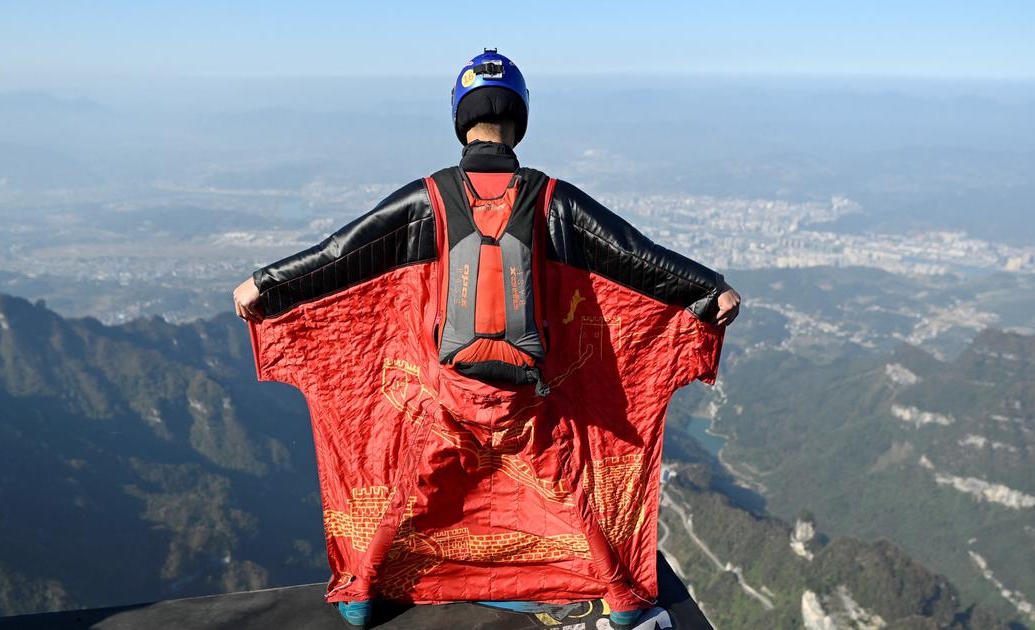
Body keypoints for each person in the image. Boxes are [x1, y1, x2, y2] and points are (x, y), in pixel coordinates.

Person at [233, 49, 740, 629]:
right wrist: (709, 292)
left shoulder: (430, 197)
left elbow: (340, 256)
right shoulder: (551, 199)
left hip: (447, 389)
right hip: (527, 391)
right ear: (518, 118)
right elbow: (637, 258)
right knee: (566, 486)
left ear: (459, 116)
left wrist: (265, 287)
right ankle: (622, 599)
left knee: (411, 486)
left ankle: (361, 594)